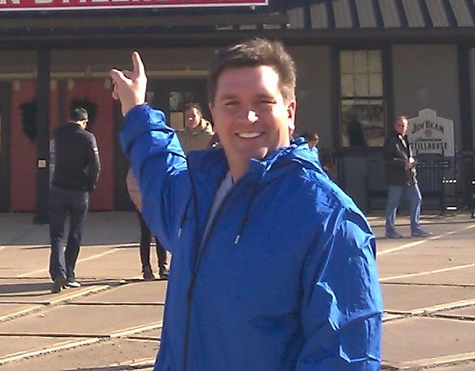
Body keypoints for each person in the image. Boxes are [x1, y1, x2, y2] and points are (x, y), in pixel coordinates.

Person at [112, 40, 382, 369]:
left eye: (263, 102)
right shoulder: (196, 194)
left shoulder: (328, 219)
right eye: (231, 103)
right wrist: (136, 108)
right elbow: (159, 171)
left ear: (290, 111)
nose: (248, 116)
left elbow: (345, 356)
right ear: (213, 111)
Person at [47, 105, 100, 292]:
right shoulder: (88, 138)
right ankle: (69, 273)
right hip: (79, 190)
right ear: (85, 121)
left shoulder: (58, 133)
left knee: (56, 235)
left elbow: (52, 157)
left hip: (58, 187)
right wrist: (91, 184)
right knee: (75, 234)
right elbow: (95, 165)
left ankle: (58, 271)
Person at [383, 116, 428, 239]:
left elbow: (410, 156)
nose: (401, 128)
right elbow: (387, 159)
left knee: (417, 198)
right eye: (399, 125)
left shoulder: (406, 140)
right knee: (393, 203)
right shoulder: (391, 141)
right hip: (396, 177)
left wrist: (412, 162)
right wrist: (403, 163)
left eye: (404, 126)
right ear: (395, 126)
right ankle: (390, 230)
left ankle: (416, 228)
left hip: (409, 176)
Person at [126, 166, 168, 279]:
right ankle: (146, 268)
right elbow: (132, 184)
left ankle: (163, 266)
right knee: (146, 235)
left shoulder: (158, 163)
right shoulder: (137, 164)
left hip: (159, 203)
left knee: (160, 235)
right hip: (143, 204)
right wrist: (139, 201)